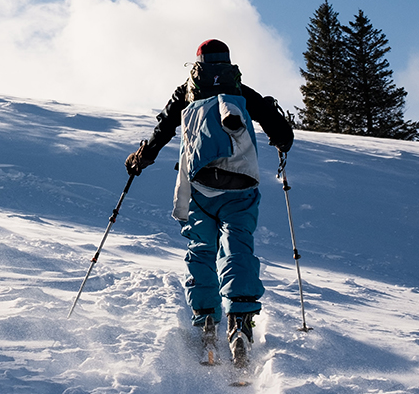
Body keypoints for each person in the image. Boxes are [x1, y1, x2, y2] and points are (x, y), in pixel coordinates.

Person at [125, 39, 294, 366]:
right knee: (237, 245)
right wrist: (281, 141)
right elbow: (279, 130)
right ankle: (239, 320)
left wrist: (140, 159)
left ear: (197, 64)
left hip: (200, 186)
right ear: (228, 63)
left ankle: (206, 318)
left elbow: (163, 130)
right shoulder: (241, 92)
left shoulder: (186, 93)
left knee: (202, 247)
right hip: (241, 183)